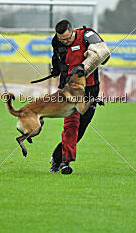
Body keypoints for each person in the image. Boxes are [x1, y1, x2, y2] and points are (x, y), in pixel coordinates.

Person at [49, 20, 110, 174]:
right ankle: (64, 163)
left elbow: (103, 54)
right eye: (62, 39)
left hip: (90, 89)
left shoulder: (87, 35)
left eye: (67, 39)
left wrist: (83, 67)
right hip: (69, 90)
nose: (65, 42)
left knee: (81, 127)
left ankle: (56, 157)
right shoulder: (57, 41)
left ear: (73, 32)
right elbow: (57, 58)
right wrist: (55, 70)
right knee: (71, 125)